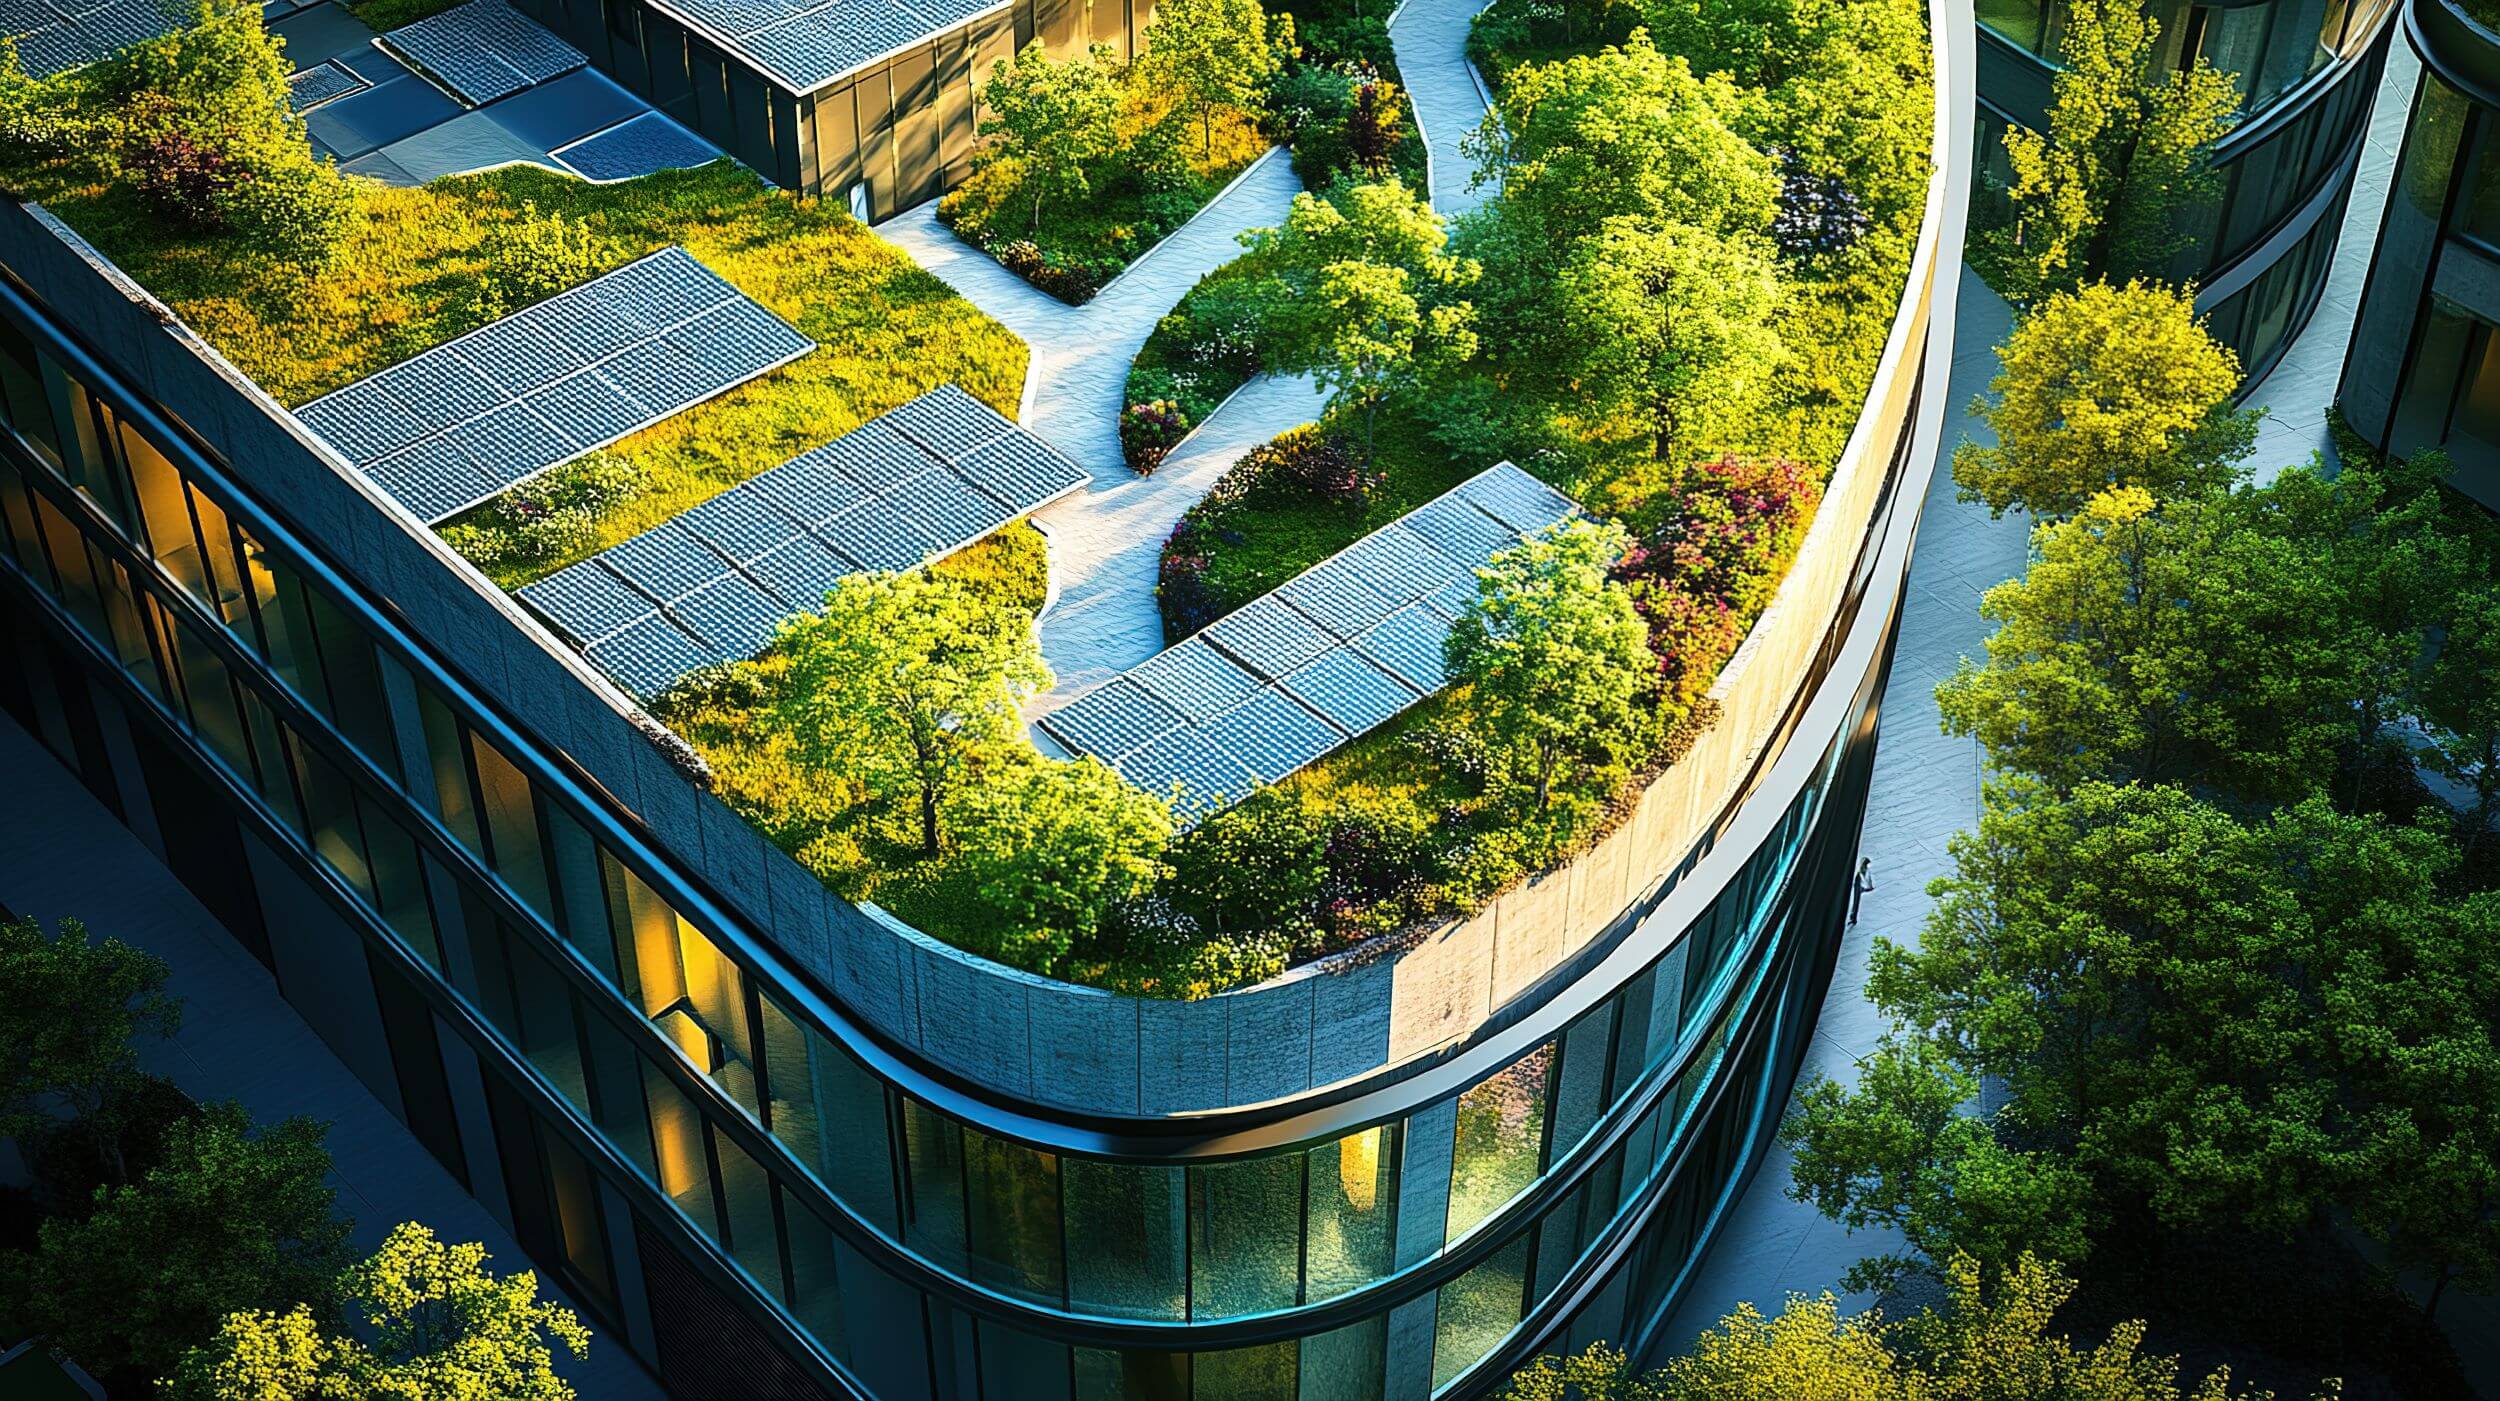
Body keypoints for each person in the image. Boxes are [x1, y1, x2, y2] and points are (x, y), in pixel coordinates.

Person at [1849, 856, 1873, 926]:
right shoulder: (1862, 868)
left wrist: (1869, 886)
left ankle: (1853, 917)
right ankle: (1853, 917)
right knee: (1856, 902)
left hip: (1859, 886)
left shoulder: (1863, 868)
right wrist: (1869, 886)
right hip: (1858, 886)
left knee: (1856, 902)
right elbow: (1866, 878)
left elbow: (1867, 878)